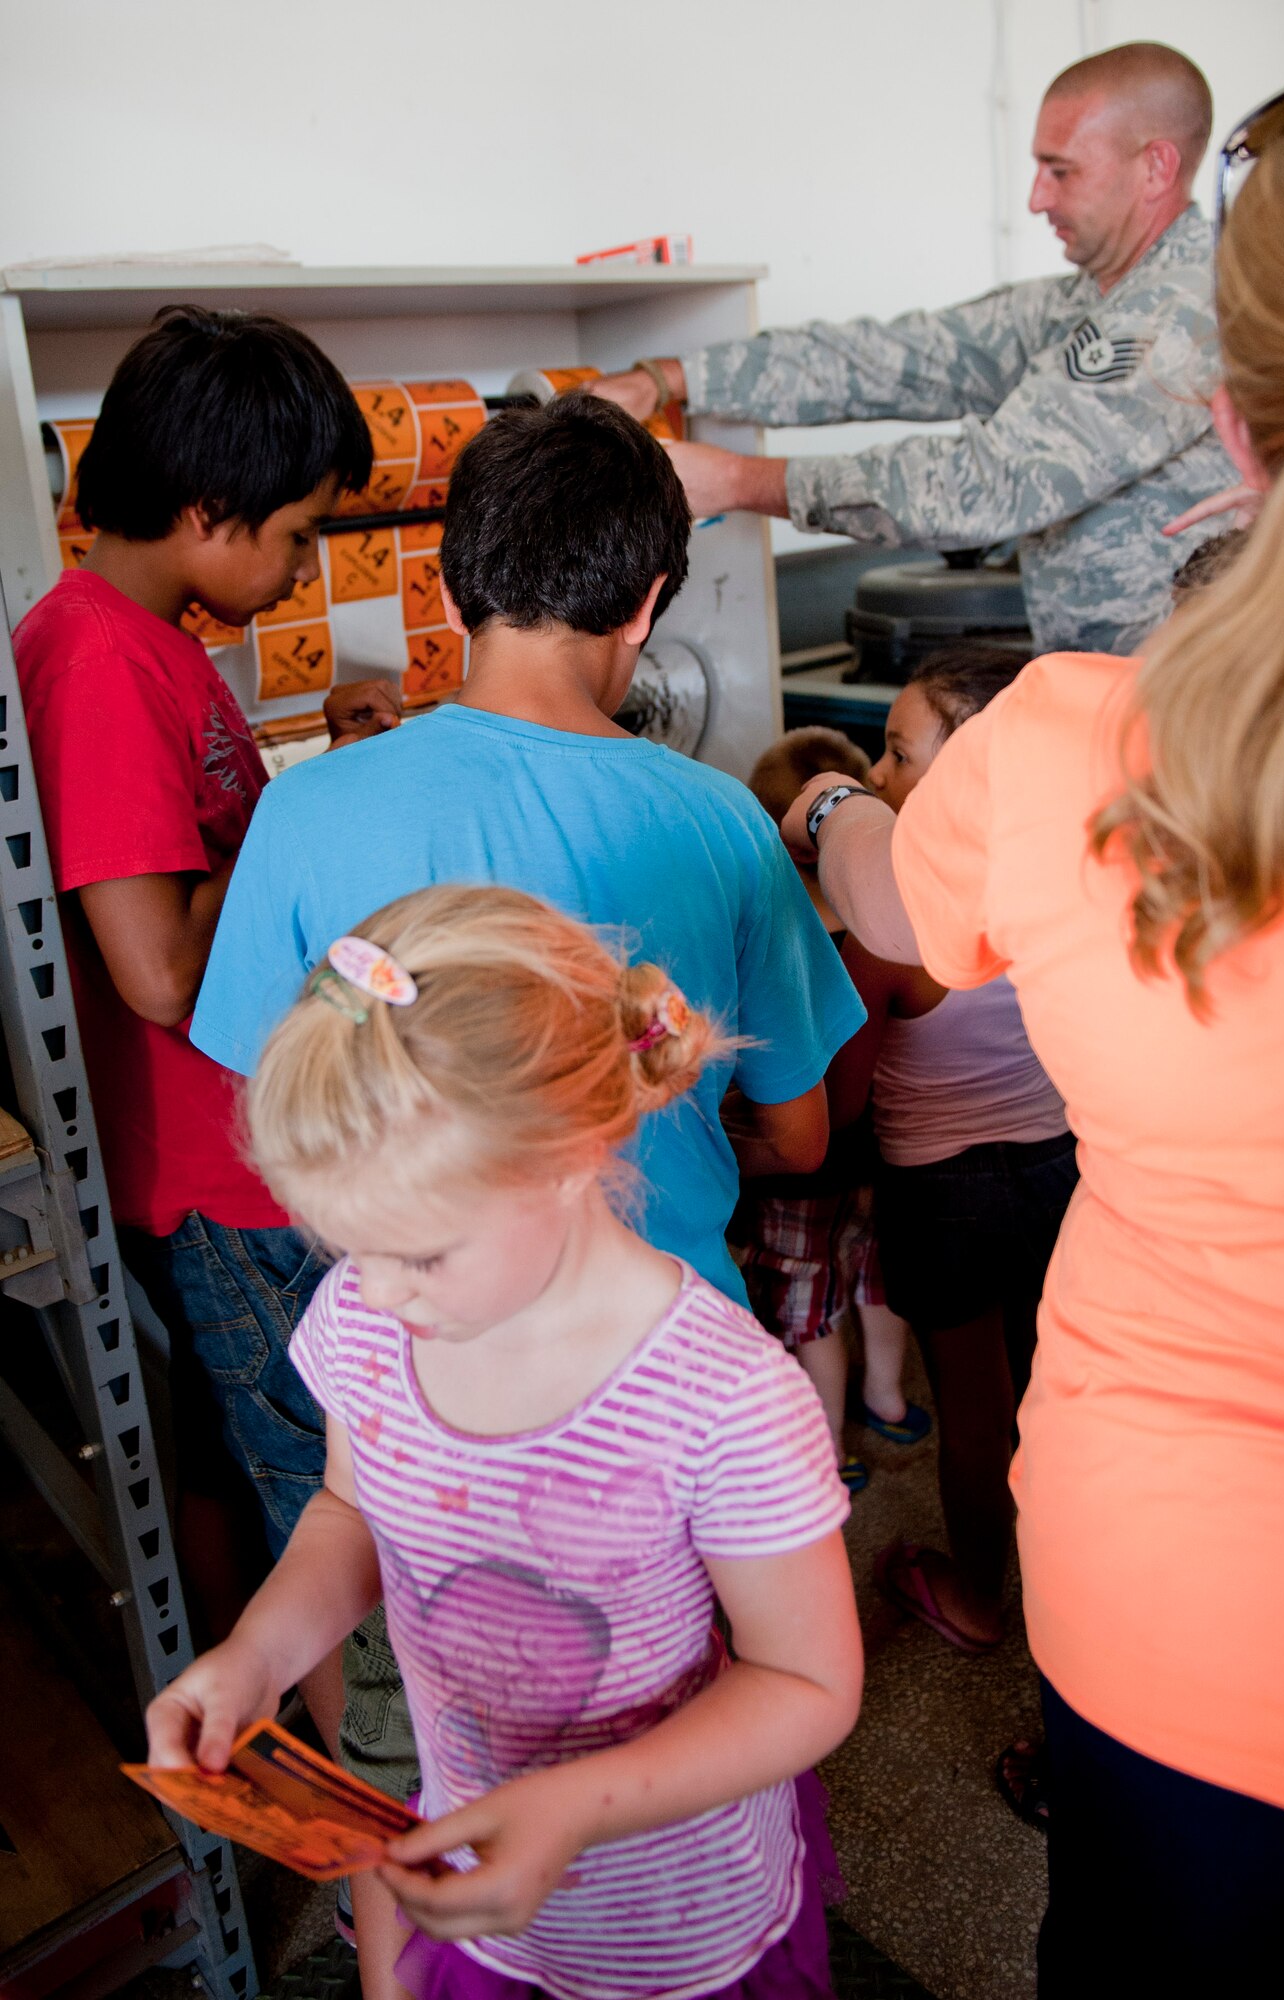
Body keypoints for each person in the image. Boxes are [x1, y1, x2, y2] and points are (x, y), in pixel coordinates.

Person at [781, 69, 1284, 1991]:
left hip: (1190, 1625)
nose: (1039, 195)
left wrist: (812, 805)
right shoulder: (1067, 315)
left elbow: (892, 913)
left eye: (1058, 161)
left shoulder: (1066, 747)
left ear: (1225, 417)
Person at [188, 391, 863, 1991]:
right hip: (643, 1325)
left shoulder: (308, 809)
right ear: (646, 607)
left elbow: (799, 1680)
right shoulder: (712, 817)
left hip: (644, 1417)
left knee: (682, 1729)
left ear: (443, 579)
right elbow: (803, 1133)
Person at [146, 884, 864, 2000]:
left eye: (420, 1253)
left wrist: (572, 1805)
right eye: (346, 1245)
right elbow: (348, 1512)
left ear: (569, 1156)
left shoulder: (720, 1394)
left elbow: (808, 1678)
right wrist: (259, 1655)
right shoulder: (368, 1315)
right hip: (466, 1868)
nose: (374, 1290)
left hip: (672, 1925)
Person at [13, 306, 398, 1699]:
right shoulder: (103, 660)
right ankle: (372, 1783)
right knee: (326, 1494)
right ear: (203, 508)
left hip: (244, 1148)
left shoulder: (144, 639)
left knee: (319, 1473)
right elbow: (160, 970)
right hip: (215, 1172)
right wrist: (292, 827)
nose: (301, 569)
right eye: (295, 535)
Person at [593, 42, 1234, 655]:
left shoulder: (1179, 313)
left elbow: (987, 484)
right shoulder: (1086, 301)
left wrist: (735, 481)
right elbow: (891, 360)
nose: (1037, 198)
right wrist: (670, 379)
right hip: (1110, 691)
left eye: (1061, 171)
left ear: (1156, 166)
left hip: (1192, 709)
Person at [826, 647, 1076, 1654]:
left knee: (973, 1416)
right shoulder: (1069, 884)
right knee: (1058, 1400)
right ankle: (1076, 1607)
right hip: (1062, 1170)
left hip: (941, 1191)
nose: (877, 778)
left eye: (894, 751)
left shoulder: (888, 930)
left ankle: (979, 1596)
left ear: (970, 760)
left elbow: (839, 1101)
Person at [735, 727, 925, 1491]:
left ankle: (828, 1445)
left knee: (809, 1306)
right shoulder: (884, 928)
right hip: (879, 1149)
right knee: (876, 1282)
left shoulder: (774, 940)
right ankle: (887, 1397)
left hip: (804, 1163)